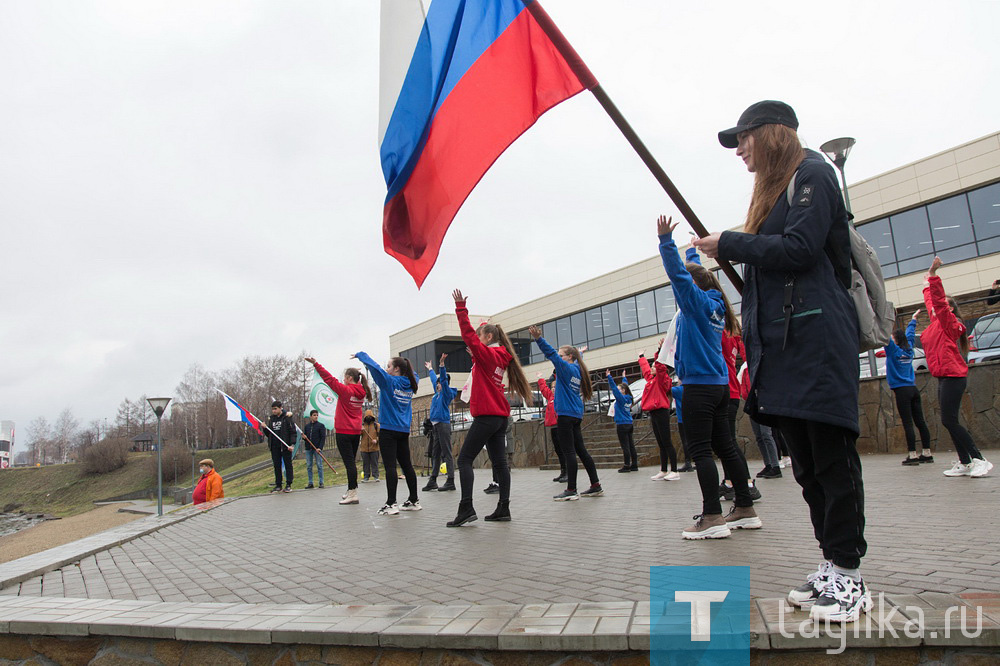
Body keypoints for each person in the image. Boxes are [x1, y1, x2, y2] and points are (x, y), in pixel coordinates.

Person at [695, 100, 867, 622]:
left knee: (832, 461)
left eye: (744, 139)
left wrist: (733, 242)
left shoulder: (813, 174)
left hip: (816, 342)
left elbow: (800, 248)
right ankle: (831, 564)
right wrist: (736, 247)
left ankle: (850, 573)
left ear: (771, 135)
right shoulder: (773, 193)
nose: (740, 151)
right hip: (782, 350)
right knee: (807, 467)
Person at [657, 215, 759, 540]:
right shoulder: (716, 303)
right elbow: (693, 277)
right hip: (718, 387)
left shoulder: (696, 305)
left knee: (701, 451)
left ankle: (713, 516)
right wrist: (692, 256)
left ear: (692, 288)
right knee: (726, 447)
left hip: (699, 387)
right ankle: (744, 508)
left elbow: (681, 278)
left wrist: (665, 242)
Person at [446, 289, 534, 526]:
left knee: (464, 460)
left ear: (486, 337)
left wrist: (461, 308)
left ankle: (466, 509)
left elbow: (467, 335)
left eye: (479, 335)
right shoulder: (499, 355)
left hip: (486, 416)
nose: (477, 337)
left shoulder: (487, 354)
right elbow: (485, 369)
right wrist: (476, 356)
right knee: (500, 463)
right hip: (499, 418)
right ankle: (503, 508)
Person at [919, 256, 992, 478]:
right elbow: (932, 303)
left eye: (942, 307)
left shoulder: (952, 324)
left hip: (953, 376)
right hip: (943, 377)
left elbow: (938, 303)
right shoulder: (934, 325)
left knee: (949, 420)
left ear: (950, 309)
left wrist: (933, 277)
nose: (934, 308)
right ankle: (965, 462)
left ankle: (979, 459)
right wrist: (926, 287)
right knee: (948, 420)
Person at [529, 326, 602, 501]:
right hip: (575, 414)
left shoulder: (566, 369)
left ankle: (571, 490)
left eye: (563, 355)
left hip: (565, 415)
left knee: (569, 452)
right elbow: (576, 358)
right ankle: (595, 485)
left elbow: (552, 355)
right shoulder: (578, 369)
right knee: (581, 451)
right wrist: (581, 352)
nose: (559, 357)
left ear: (569, 357)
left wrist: (539, 339)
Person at [354, 351, 421, 515]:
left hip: (389, 431)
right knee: (407, 465)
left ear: (397, 369)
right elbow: (414, 373)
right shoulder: (412, 382)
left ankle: (391, 504)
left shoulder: (389, 381)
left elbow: (376, 369)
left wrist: (361, 355)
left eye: (389, 366)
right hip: (403, 431)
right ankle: (414, 500)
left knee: (390, 467)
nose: (387, 368)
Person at [306, 358, 372, 505]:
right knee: (352, 462)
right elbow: (352, 383)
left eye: (345, 377)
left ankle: (353, 492)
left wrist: (316, 364)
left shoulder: (346, 391)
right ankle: (351, 489)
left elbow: (329, 379)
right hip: (355, 432)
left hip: (344, 432)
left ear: (349, 378)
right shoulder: (361, 391)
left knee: (349, 463)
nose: (343, 379)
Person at [885, 314, 933, 466]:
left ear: (896, 340)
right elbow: (910, 334)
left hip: (901, 391)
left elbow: (885, 336)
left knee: (907, 423)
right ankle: (927, 453)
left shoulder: (893, 351)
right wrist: (913, 319)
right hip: (913, 389)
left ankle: (912, 455)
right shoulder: (909, 350)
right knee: (920, 421)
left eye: (892, 338)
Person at [639, 341, 678, 481]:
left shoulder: (662, 379)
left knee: (667, 441)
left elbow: (661, 367)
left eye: (653, 366)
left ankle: (674, 470)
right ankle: (663, 470)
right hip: (653, 412)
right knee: (660, 442)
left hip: (661, 411)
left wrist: (660, 352)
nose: (652, 367)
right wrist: (641, 357)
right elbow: (645, 370)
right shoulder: (651, 379)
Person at [738, 364, 781, 478]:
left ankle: (775, 466)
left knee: (766, 435)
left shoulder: (763, 365)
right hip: (752, 403)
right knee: (759, 436)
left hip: (763, 403)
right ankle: (768, 464)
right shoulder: (745, 367)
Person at [424, 354, 458, 492]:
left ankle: (451, 480)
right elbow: (434, 380)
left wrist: (441, 365)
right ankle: (433, 480)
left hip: (443, 425)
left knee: (447, 452)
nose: (437, 384)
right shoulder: (436, 393)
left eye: (439, 383)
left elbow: (443, 380)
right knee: (435, 453)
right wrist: (431, 369)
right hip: (436, 426)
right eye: (437, 383)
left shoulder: (446, 393)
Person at [538, 375, 566, 482]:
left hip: (561, 426)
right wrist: (541, 379)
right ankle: (563, 471)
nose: (553, 388)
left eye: (555, 386)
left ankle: (567, 472)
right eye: (552, 386)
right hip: (553, 427)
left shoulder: (561, 396)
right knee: (558, 450)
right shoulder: (550, 397)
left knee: (564, 450)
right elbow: (544, 389)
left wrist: (557, 374)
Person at [608, 370, 637, 472]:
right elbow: (626, 386)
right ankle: (634, 464)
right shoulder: (628, 398)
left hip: (622, 424)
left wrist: (609, 377)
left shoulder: (621, 399)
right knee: (631, 445)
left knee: (625, 446)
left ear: (623, 391)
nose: (618, 390)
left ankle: (626, 465)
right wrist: (624, 378)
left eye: (621, 389)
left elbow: (615, 389)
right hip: (629, 423)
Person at [266, 401, 296, 493]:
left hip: (285, 446)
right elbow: (269, 434)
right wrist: (264, 428)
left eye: (275, 409)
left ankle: (288, 484)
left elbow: (293, 432)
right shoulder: (271, 419)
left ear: (280, 408)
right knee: (276, 465)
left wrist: (292, 444)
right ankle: (278, 484)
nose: (274, 411)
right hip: (275, 446)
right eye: (272, 409)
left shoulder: (286, 418)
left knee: (288, 465)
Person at [670, 381, 694, 472]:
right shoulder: (692, 388)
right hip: (694, 417)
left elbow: (665, 389)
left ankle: (688, 462)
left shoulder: (678, 390)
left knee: (685, 441)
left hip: (682, 418)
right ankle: (696, 460)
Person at [302, 409, 327, 489]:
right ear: (310, 417)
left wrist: (320, 447)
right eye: (314, 415)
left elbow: (323, 438)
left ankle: (321, 482)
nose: (316, 417)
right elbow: (305, 437)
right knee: (309, 466)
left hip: (317, 449)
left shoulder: (321, 426)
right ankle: (310, 483)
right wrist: (304, 437)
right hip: (309, 449)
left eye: (317, 415)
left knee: (319, 465)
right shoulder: (307, 427)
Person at [360, 410, 381, 482]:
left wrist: (376, 440)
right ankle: (366, 476)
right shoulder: (362, 426)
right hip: (364, 448)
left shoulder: (376, 425)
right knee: (365, 464)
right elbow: (358, 435)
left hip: (374, 448)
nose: (368, 418)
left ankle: (376, 476)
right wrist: (360, 430)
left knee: (374, 463)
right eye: (367, 416)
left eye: (370, 416)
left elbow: (380, 435)